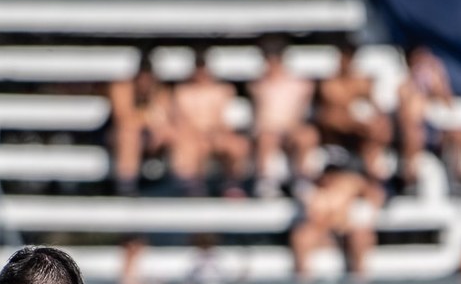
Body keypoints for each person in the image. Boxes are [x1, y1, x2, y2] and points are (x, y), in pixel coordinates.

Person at [167, 47, 252, 196]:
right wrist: (199, 135)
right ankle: (193, 187)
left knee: (237, 145)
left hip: (217, 133)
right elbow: (180, 121)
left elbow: (227, 120)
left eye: (204, 68)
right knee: (190, 146)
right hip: (191, 135)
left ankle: (233, 184)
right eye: (198, 68)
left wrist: (215, 133)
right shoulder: (182, 92)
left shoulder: (224, 90)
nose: (201, 72)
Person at [288, 162, 384, 284]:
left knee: (360, 236)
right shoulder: (313, 191)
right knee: (302, 236)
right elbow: (315, 219)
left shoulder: (353, 184)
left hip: (346, 234)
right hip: (324, 235)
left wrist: (366, 212)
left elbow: (377, 195)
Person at [314, 44, 394, 182]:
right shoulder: (329, 84)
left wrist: (374, 121)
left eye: (350, 57)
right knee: (338, 118)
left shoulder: (362, 82)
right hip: (336, 131)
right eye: (344, 57)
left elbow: (376, 106)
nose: (347, 61)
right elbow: (331, 114)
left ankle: (377, 175)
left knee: (380, 126)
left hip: (361, 132)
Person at [248, 37, 317, 198]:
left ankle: (302, 180)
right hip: (267, 131)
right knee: (266, 137)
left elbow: (301, 114)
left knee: (307, 135)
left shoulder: (301, 85)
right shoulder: (258, 85)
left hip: (291, 130)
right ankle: (266, 181)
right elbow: (260, 117)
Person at [397, 46, 461, 192]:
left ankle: (459, 180)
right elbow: (407, 116)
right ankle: (410, 178)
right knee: (414, 134)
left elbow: (449, 105)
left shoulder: (437, 80)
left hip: (438, 132)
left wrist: (438, 84)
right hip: (417, 134)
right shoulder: (405, 86)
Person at [108, 47, 171, 195]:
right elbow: (123, 119)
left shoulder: (161, 91)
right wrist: (149, 118)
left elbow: (163, 120)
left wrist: (155, 126)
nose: (145, 81)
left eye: (148, 76)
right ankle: (126, 187)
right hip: (117, 138)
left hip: (151, 138)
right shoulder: (122, 88)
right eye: (142, 76)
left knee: (177, 134)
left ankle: (185, 185)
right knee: (128, 135)